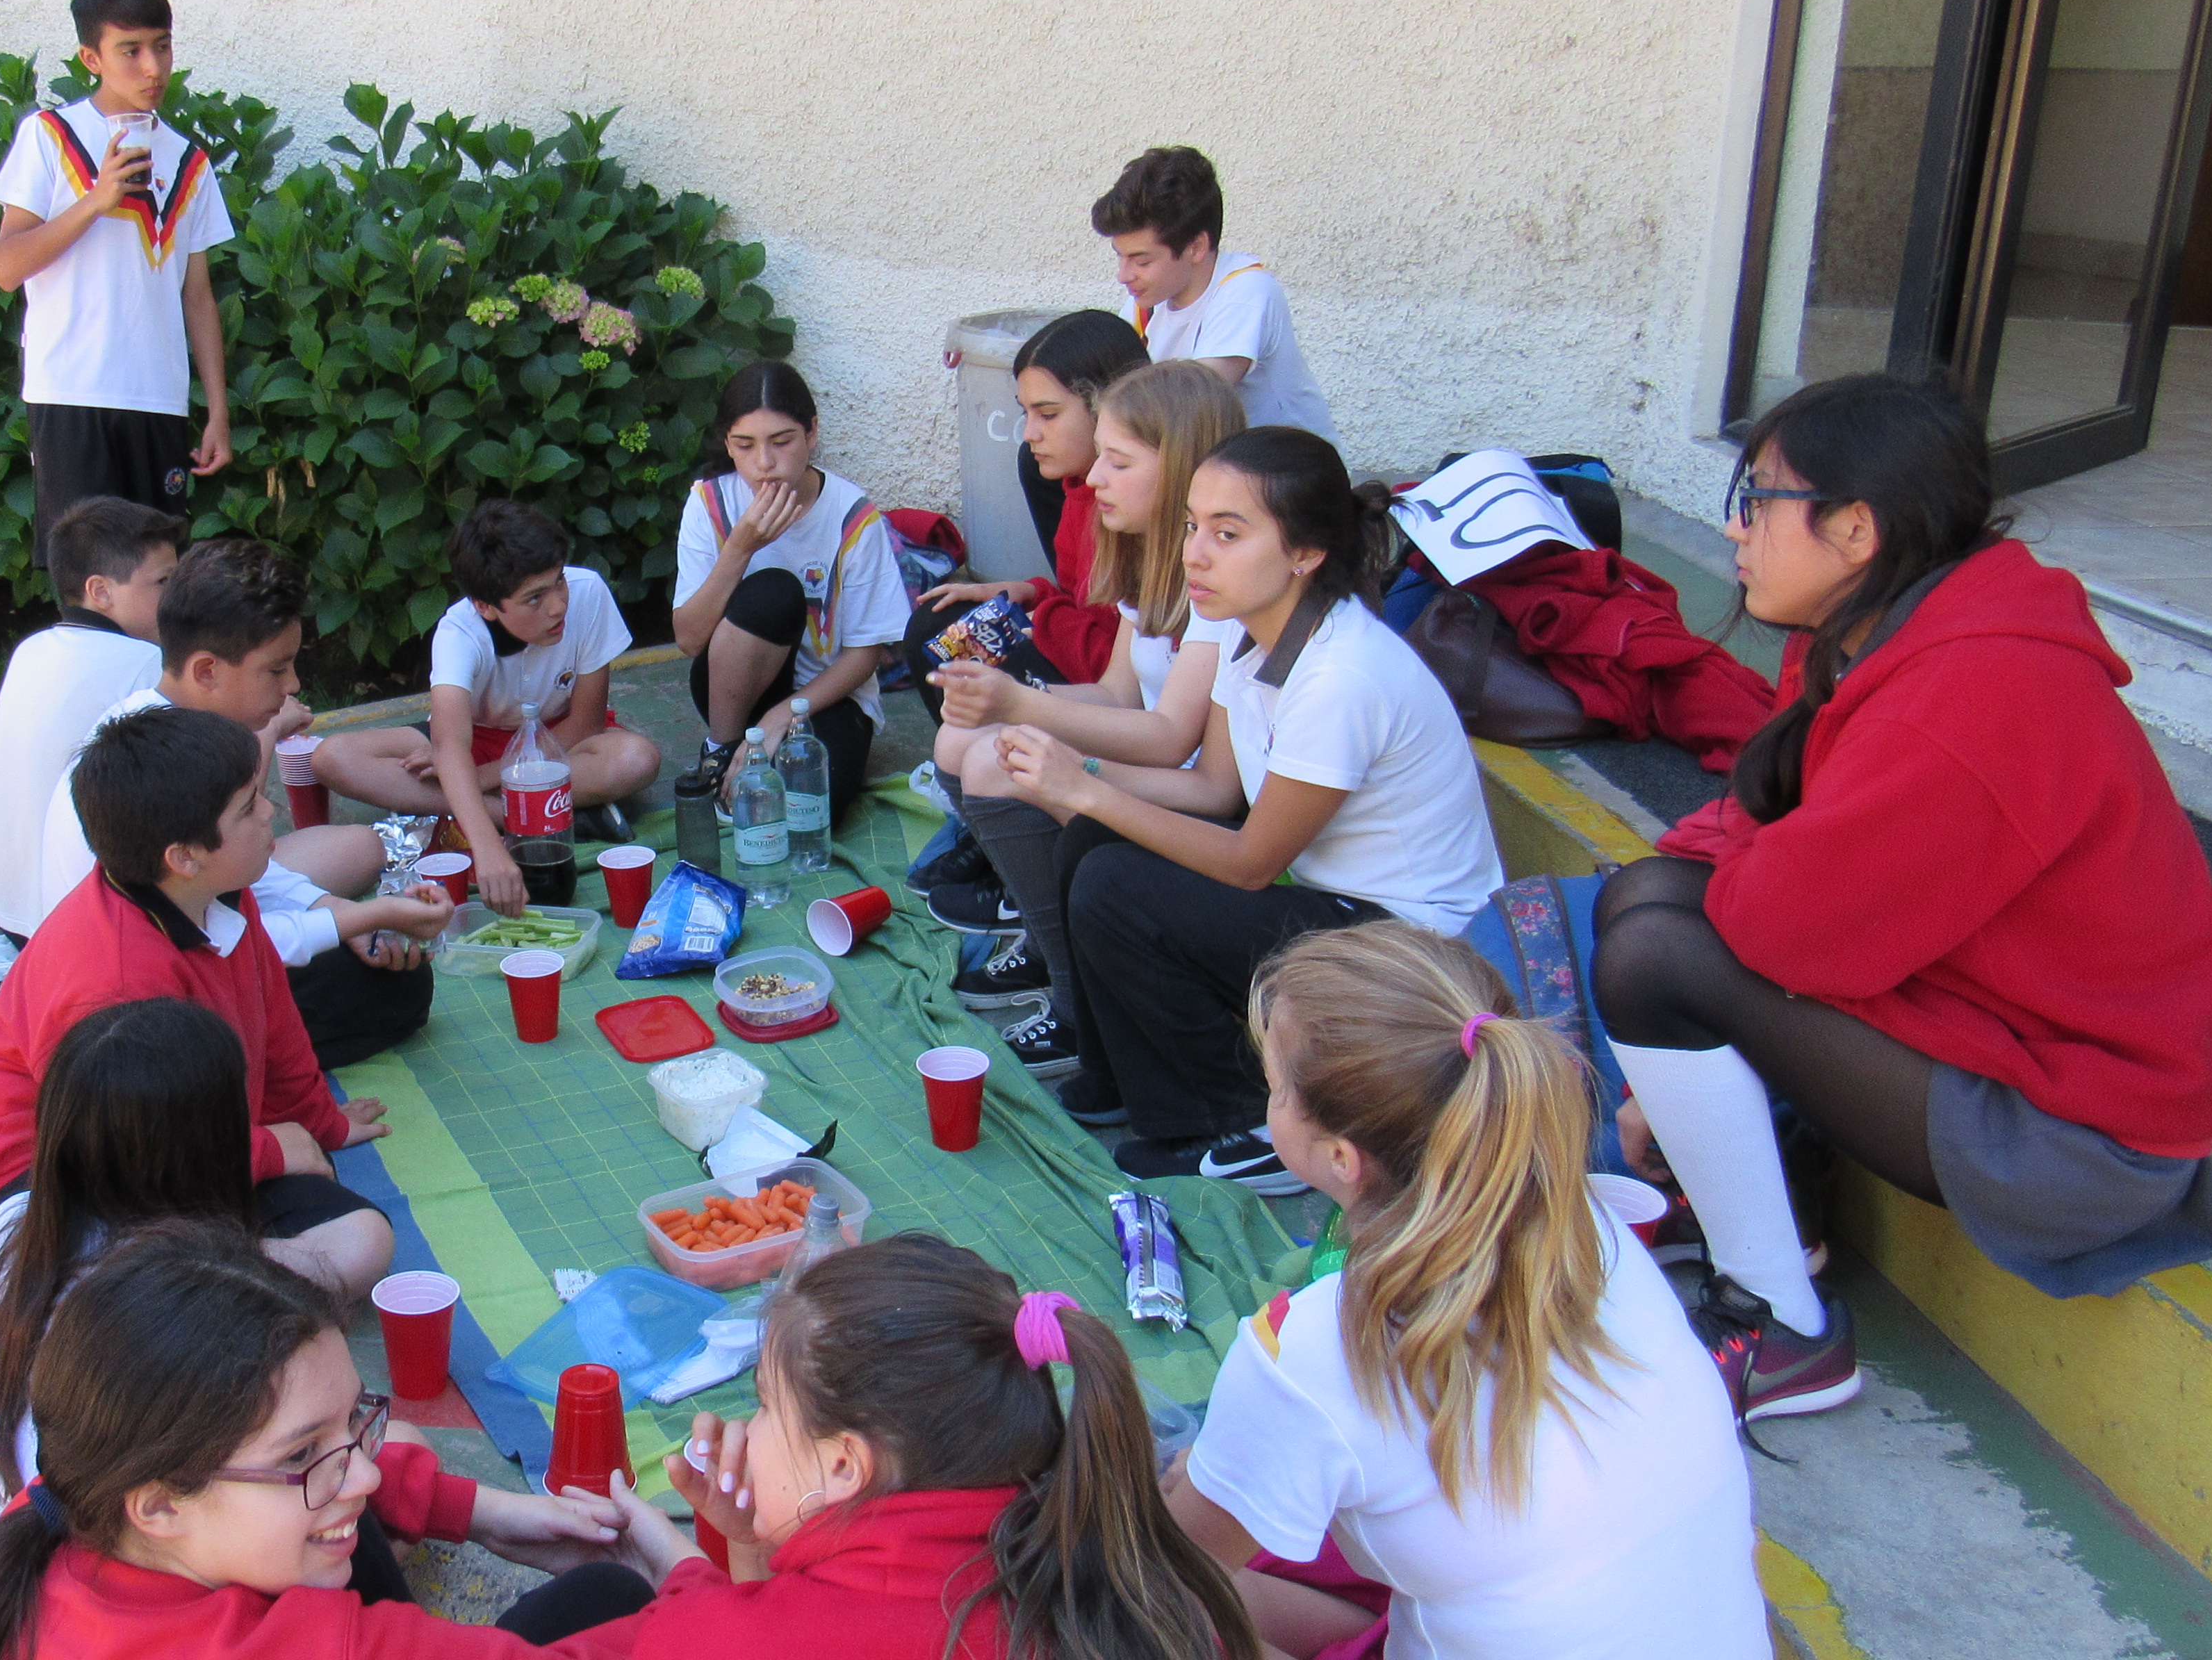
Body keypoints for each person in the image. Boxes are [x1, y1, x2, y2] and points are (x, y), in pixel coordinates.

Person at [1594, 373, 2212, 1417]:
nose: (1735, 531)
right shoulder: (1880, 634)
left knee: (1656, 954)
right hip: (2014, 1042)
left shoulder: (1972, 694)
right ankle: (1770, 1217)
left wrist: (1730, 912)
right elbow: (1757, 832)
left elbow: (1786, 931)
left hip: (2084, 1141)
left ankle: (1784, 1329)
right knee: (1649, 900)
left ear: (1856, 529)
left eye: (1757, 501)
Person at [1168, 922, 1768, 1660]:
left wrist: (1186, 1488)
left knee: (1130, 1599)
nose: (1270, 1101)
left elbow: (1162, 1574)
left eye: (1277, 1089)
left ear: (1342, 1158)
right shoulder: (1593, 1226)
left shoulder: (1308, 1351)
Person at [994, 427, 1502, 1188]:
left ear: (1306, 552)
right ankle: (1117, 1078)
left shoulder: (1342, 676)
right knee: (1092, 843)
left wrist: (1084, 787)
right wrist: (1080, 782)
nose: (1194, 554)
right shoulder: (1252, 633)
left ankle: (1235, 1115)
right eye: (1192, 526)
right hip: (1335, 903)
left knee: (1117, 884)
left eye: (1227, 534)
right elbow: (1214, 791)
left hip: (1415, 947)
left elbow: (1250, 863)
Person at [0, 1224, 684, 1660]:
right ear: (160, 1505)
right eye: (299, 1452)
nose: (364, 1475)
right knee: (615, 1599)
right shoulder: (310, 1644)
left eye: (351, 1420)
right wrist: (695, 1581)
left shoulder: (49, 1520)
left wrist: (479, 1511)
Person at [0, 998, 411, 1650]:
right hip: (11, 1597)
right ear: (215, 1151)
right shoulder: (164, 1317)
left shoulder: (11, 1224)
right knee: (346, 1471)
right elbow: (338, 1262)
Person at [0, 707, 397, 1290]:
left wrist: (318, 1122)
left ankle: (184, 1285)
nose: (270, 812)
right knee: (103, 1279)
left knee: (362, 1241)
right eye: (249, 807)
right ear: (184, 857)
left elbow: (276, 1027)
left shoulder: (220, 890)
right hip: (48, 1189)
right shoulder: (113, 983)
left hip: (191, 1158)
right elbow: (121, 1153)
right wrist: (270, 1151)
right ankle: (159, 1291)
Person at [653, 1232, 1250, 1660]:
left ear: (843, 1464)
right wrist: (753, 1543)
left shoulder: (734, 1639)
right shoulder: (1138, 1589)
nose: (747, 1429)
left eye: (764, 1404)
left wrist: (672, 1569)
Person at [929, 361, 1246, 1073]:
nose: (1094, 478)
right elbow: (1117, 693)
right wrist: (1000, 696)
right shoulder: (1152, 558)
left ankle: (1077, 1006)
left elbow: (1170, 740)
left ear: (1183, 469)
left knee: (997, 760)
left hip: (1198, 800)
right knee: (961, 738)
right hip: (1164, 768)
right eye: (1099, 455)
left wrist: (1023, 707)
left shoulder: (1219, 587)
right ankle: (1048, 939)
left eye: (1118, 462)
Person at [29, 539, 452, 1067]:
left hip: (187, 934)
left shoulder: (180, 726)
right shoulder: (171, 762)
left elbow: (249, 880)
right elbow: (216, 941)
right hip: (138, 1001)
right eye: (276, 670)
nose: (293, 685)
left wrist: (341, 914)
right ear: (207, 671)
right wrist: (354, 921)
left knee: (375, 953)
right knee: (389, 990)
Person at [0, 0, 235, 550]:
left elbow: (197, 296)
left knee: (158, 571)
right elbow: (6, 267)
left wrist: (218, 411)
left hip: (158, 396)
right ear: (91, 58)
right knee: (86, 575)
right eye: (131, 51)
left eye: (162, 46)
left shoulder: (190, 161)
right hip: (72, 391)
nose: (153, 68)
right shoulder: (49, 136)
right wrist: (95, 202)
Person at [314, 501, 661, 911]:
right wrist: (489, 848)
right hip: (474, 739)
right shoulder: (458, 632)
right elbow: (449, 745)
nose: (558, 605)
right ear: (485, 606)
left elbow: (586, 723)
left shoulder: (589, 592)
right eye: (534, 598)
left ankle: (497, 807)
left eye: (559, 581)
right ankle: (556, 816)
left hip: (558, 741)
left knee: (636, 758)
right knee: (332, 757)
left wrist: (477, 779)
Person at [669, 361, 902, 820]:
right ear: (727, 445)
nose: (765, 463)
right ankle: (722, 752)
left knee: (806, 807)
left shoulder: (852, 515)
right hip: (735, 686)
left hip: (828, 697)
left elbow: (865, 655)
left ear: (811, 433)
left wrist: (782, 716)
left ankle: (763, 752)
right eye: (745, 445)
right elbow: (690, 639)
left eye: (782, 442)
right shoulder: (711, 504)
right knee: (773, 592)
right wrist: (740, 547)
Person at [901, 310, 1149, 705]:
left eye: (1048, 414)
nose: (1030, 433)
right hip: (1079, 652)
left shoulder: (1136, 514)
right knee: (936, 625)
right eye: (1025, 412)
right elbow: (1080, 602)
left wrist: (1041, 618)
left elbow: (1123, 672)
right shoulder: (1079, 490)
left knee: (964, 665)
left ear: (1108, 407)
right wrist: (1027, 593)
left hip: (1110, 700)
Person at [0, 495, 183, 939]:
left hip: (11, 916)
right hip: (85, 931)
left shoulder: (31, 650)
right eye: (164, 582)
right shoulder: (144, 664)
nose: (178, 597)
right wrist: (270, 728)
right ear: (100, 592)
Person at [1093, 147, 1333, 441]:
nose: (1124, 275)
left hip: (1284, 466)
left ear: (1196, 248)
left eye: (1142, 261)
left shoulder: (1246, 291)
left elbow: (1194, 407)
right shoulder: (1147, 298)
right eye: (1120, 256)